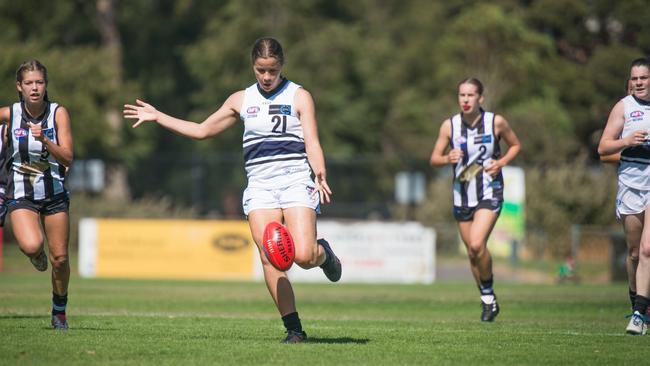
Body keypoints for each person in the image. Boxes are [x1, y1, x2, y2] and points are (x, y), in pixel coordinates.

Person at [124, 37, 342, 343]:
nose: (266, 77)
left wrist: (319, 171)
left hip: (295, 179)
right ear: (253, 66)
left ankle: (325, 255)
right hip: (261, 187)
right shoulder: (241, 100)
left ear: (282, 67)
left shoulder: (299, 96)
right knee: (272, 257)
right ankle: (294, 329)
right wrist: (159, 116)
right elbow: (202, 130)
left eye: (273, 71)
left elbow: (312, 141)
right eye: (260, 70)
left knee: (304, 256)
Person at [429, 78, 521, 322]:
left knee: (477, 245)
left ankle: (488, 294)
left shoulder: (495, 122)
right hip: (461, 194)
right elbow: (434, 158)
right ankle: (487, 299)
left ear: (481, 98)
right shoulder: (450, 126)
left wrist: (500, 163)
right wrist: (447, 157)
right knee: (472, 254)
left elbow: (515, 145)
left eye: (470, 95)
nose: (466, 100)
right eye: (462, 95)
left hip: (489, 191)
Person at [0, 59, 74, 330]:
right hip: (21, 192)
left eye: (39, 82)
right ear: (19, 86)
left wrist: (45, 140)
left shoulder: (58, 113)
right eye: (29, 83)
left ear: (46, 85)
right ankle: (35, 256)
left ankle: (59, 310)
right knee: (31, 245)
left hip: (54, 193)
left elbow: (68, 156)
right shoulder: (11, 113)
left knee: (61, 259)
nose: (34, 88)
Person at [598, 57, 650, 335]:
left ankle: (640, 314)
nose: (639, 82)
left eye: (643, 77)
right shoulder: (624, 107)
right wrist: (627, 142)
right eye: (635, 78)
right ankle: (637, 304)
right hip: (630, 184)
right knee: (633, 253)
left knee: (647, 249)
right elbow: (603, 149)